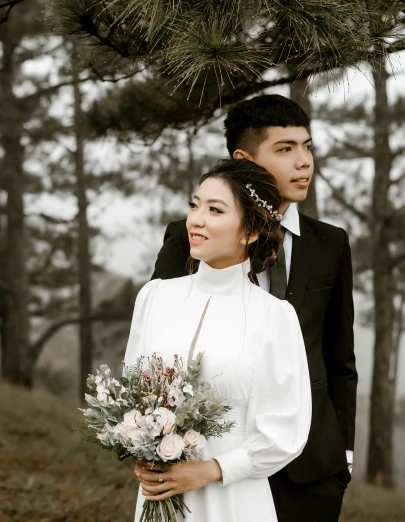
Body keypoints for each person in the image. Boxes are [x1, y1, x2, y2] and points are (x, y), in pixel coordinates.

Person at [151, 94, 357, 521]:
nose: (304, 162)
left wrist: (344, 455)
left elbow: (340, 357)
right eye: (285, 149)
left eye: (308, 146)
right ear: (244, 160)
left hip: (312, 470)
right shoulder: (189, 238)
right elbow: (158, 352)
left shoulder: (330, 243)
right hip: (210, 463)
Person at [125, 159, 312, 521]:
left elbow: (285, 429)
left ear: (250, 231)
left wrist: (211, 469)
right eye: (195, 205)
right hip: (158, 498)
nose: (196, 219)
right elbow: (133, 392)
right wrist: (139, 447)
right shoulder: (154, 297)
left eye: (215, 210)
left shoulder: (274, 316)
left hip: (233, 500)